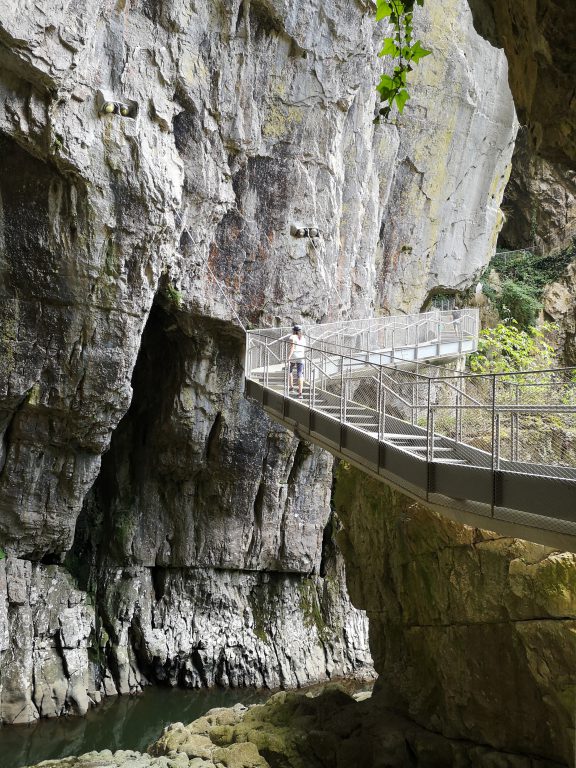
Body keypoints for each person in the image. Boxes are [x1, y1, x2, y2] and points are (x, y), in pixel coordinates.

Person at [288, 324, 306, 398]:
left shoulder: (292, 337)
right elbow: (303, 348)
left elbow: (292, 347)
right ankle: (300, 393)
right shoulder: (303, 338)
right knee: (299, 374)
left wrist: (288, 357)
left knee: (290, 370)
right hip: (301, 356)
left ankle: (291, 387)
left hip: (294, 356)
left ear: (294, 331)